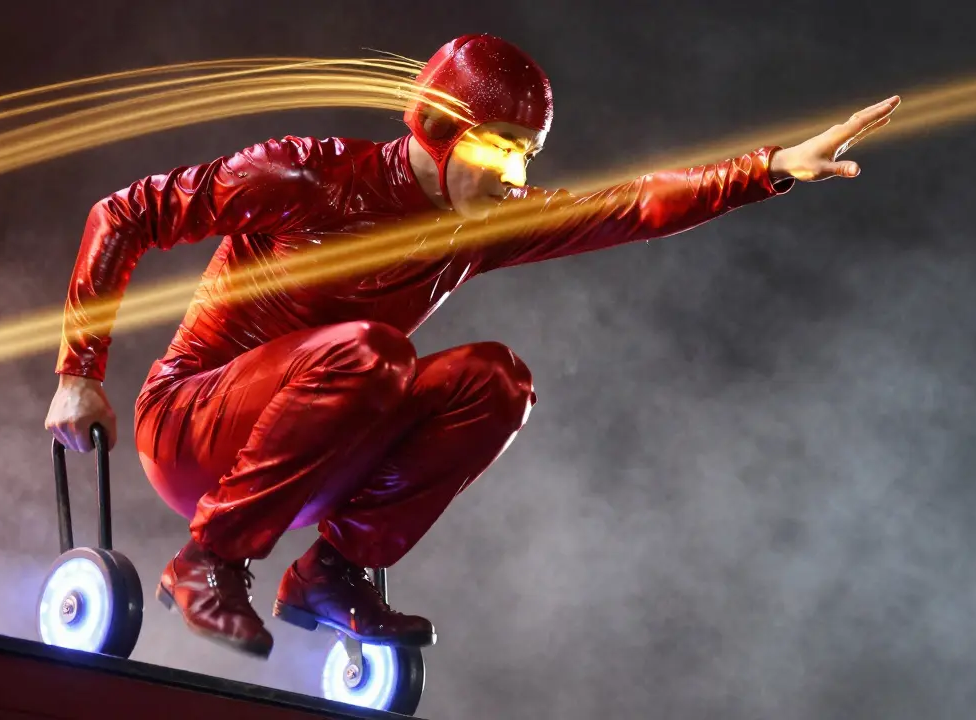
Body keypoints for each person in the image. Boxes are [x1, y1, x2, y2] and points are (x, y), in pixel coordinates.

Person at [45, 34, 899, 659]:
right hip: (193, 427)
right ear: (439, 131)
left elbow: (631, 205)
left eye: (527, 156)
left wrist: (775, 164)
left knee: (495, 380)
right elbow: (125, 214)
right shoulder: (306, 175)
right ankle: (206, 563)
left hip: (321, 444)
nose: (516, 179)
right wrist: (79, 373)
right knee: (375, 354)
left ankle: (332, 574)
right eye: (499, 150)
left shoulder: (480, 225)